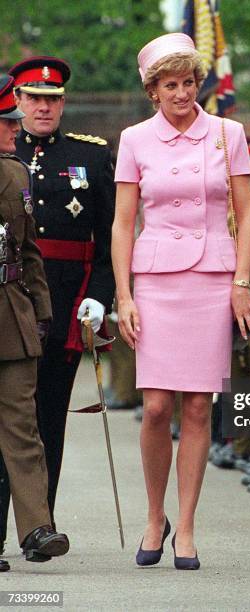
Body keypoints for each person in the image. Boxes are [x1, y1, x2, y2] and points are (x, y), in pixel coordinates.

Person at [112, 32, 250, 569]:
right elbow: (124, 220)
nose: (182, 93)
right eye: (170, 85)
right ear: (153, 90)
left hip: (212, 278)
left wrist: (240, 282)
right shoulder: (134, 140)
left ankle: (188, 527)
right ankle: (155, 516)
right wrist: (123, 293)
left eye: (189, 82)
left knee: (198, 405)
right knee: (155, 406)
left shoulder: (227, 133)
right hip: (155, 281)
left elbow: (247, 212)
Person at [0, 56, 116, 542]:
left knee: (47, 417)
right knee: (10, 416)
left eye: (53, 99)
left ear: (63, 103)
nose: (43, 108)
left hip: (65, 305)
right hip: (13, 297)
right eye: (34, 99)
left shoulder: (90, 155)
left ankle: (39, 526)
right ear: (18, 102)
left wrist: (100, 298)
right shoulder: (8, 155)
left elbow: (109, 240)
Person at [0, 74, 69, 571]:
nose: (14, 131)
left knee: (23, 431)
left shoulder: (15, 175)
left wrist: (42, 313)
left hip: (11, 315)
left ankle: (37, 528)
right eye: (6, 124)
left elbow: (28, 253)